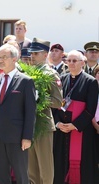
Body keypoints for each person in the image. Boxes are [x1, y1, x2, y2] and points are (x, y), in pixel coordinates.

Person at [0, 43, 36, 183]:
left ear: (15, 59)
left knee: (21, 176)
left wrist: (27, 137)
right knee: (1, 177)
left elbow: (30, 112)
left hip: (17, 138)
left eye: (4, 57)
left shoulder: (26, 81)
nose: (0, 60)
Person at [53, 50, 99, 184]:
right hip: (62, 130)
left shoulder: (90, 82)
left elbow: (90, 109)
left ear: (82, 63)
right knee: (60, 165)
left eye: (74, 61)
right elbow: (56, 104)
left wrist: (75, 125)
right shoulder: (62, 78)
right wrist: (57, 123)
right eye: (69, 61)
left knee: (82, 169)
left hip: (81, 131)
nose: (71, 63)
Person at [27, 38, 63, 184]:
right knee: (31, 169)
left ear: (45, 54)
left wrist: (40, 100)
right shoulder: (28, 72)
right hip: (29, 124)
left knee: (45, 167)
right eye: (31, 53)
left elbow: (58, 101)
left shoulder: (51, 74)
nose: (32, 56)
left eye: (36, 53)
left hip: (43, 124)